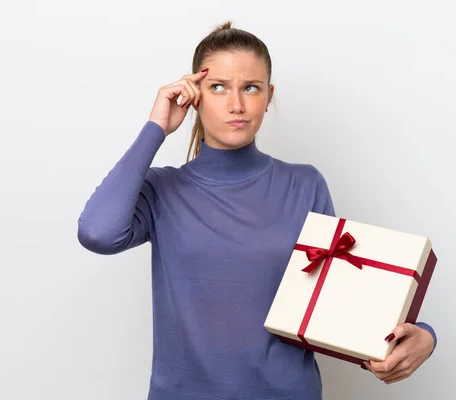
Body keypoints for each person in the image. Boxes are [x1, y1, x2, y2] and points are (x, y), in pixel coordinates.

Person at [77, 21, 437, 400]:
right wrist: (156, 128)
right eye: (218, 87)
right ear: (193, 95)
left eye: (251, 87)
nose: (237, 105)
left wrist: (425, 335)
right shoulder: (162, 189)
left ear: (269, 96)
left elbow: (339, 300)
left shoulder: (304, 184)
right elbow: (98, 233)